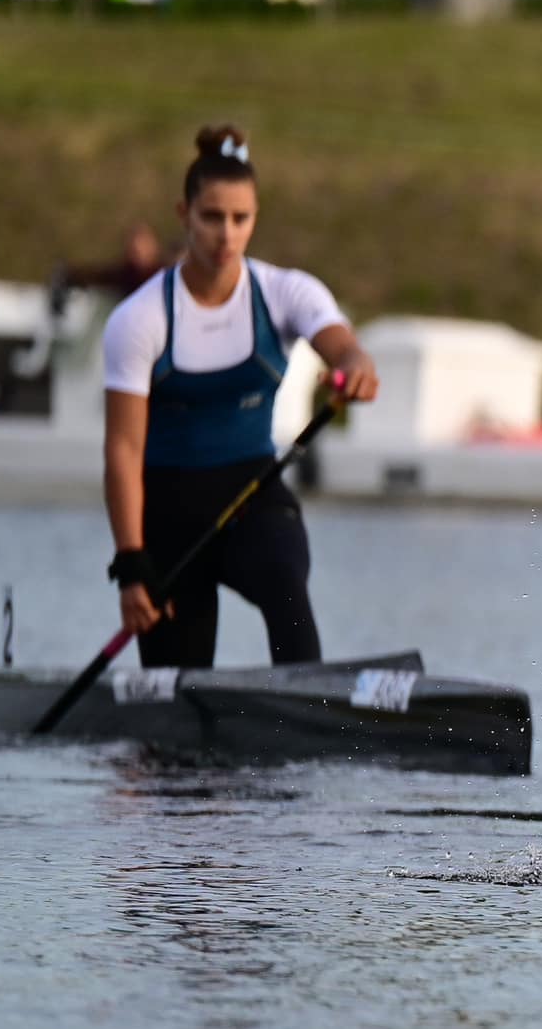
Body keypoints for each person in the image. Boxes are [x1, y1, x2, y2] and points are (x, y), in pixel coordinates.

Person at [100, 125, 379, 669]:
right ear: (184, 214)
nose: (226, 235)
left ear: (255, 218)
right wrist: (132, 567)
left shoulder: (284, 292)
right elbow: (123, 454)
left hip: (252, 494)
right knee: (174, 700)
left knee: (287, 589)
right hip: (167, 518)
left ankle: (307, 707)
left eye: (240, 219)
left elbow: (344, 347)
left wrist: (354, 368)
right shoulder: (140, 319)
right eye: (211, 218)